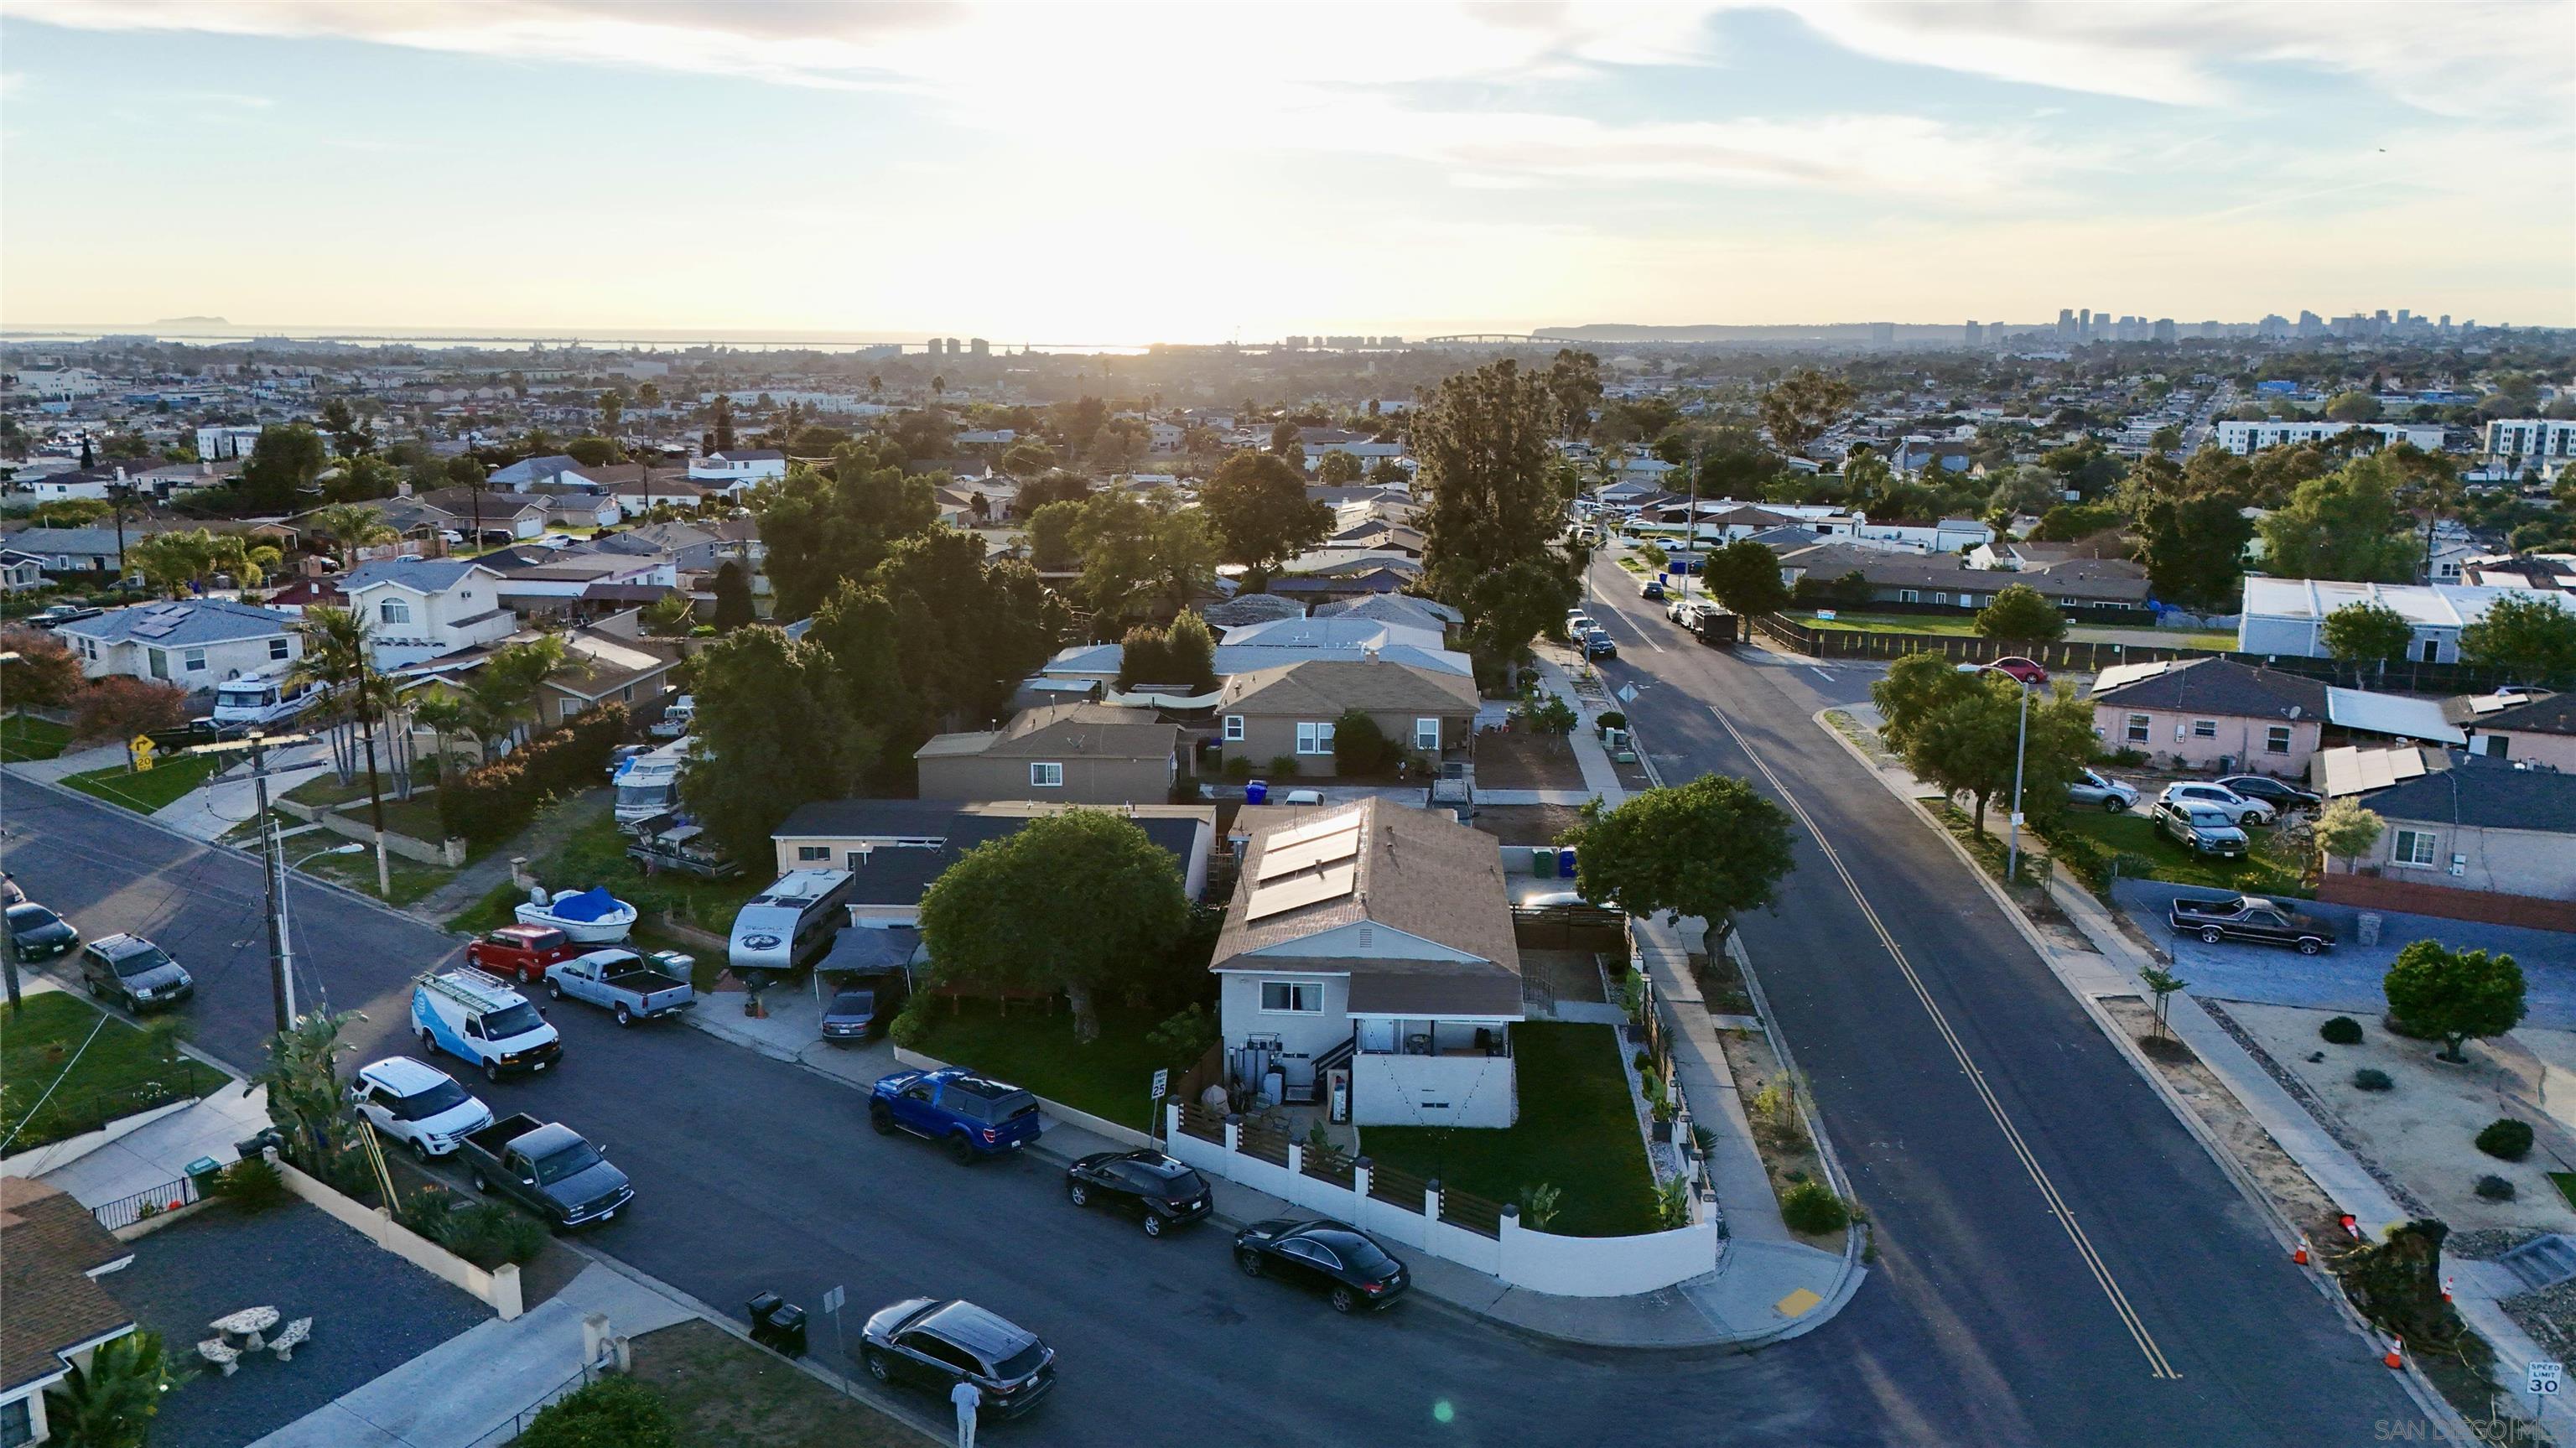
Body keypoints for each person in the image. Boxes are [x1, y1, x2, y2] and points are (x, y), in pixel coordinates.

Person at [950, 1377, 982, 1448]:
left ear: (962, 1378)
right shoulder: (973, 1389)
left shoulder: (957, 1387)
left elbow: (953, 1399)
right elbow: (977, 1403)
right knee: (970, 1434)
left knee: (961, 1431)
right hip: (970, 1414)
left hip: (960, 1412)